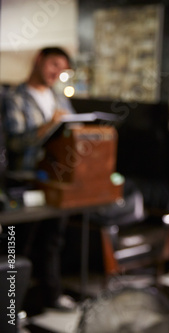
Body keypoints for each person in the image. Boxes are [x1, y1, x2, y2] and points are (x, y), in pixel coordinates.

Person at [2, 47, 77, 311]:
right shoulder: (13, 97)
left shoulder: (61, 99)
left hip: (57, 181)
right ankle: (12, 307)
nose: (57, 72)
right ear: (38, 60)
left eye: (62, 68)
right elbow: (14, 143)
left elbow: (73, 135)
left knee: (53, 241)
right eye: (53, 64)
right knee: (19, 245)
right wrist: (49, 126)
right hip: (24, 181)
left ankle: (51, 296)